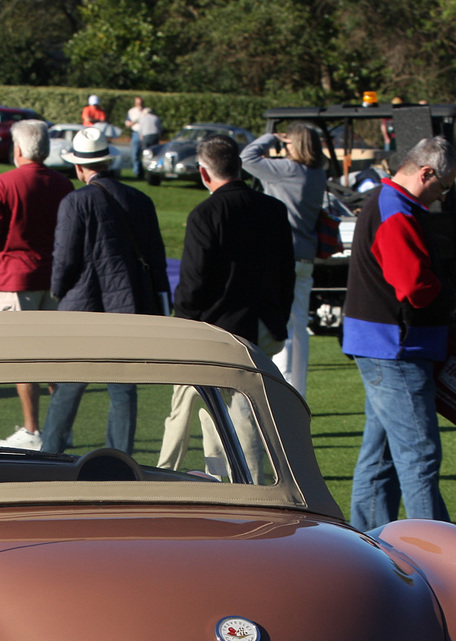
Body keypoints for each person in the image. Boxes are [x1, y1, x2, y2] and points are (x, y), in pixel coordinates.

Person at [341, 135, 456, 532]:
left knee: (381, 460)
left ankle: (365, 544)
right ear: (426, 173)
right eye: (441, 186)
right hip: (396, 346)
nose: (440, 196)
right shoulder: (396, 208)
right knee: (419, 456)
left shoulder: (388, 201)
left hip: (385, 343)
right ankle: (440, 555)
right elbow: (411, 286)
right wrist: (448, 290)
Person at [164, 134, 294, 482]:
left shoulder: (206, 213)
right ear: (238, 166)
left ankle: (167, 476)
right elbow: (287, 274)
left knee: (191, 409)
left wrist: (183, 327)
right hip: (263, 325)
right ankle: (238, 483)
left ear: (204, 173)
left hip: (216, 331)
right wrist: (279, 318)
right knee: (241, 414)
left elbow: (193, 283)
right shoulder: (273, 209)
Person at [42, 126, 169, 456]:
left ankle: (50, 454)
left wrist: (57, 290)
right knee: (123, 386)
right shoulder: (141, 199)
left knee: (70, 383)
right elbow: (156, 258)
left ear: (79, 167)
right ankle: (120, 460)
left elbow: (65, 257)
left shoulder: (76, 201)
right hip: (128, 303)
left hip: (84, 304)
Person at [0, 119, 72, 450]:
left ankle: (32, 431)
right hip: (55, 278)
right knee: (55, 357)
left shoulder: (4, 182)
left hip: (17, 278)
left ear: (18, 149)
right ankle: (61, 425)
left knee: (23, 357)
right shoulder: (63, 183)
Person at [240, 122, 327, 396]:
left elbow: (246, 158)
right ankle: (296, 389)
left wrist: (269, 138)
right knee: (299, 325)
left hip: (282, 256)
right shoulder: (317, 174)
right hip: (305, 256)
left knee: (282, 325)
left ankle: (285, 389)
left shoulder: (288, 170)